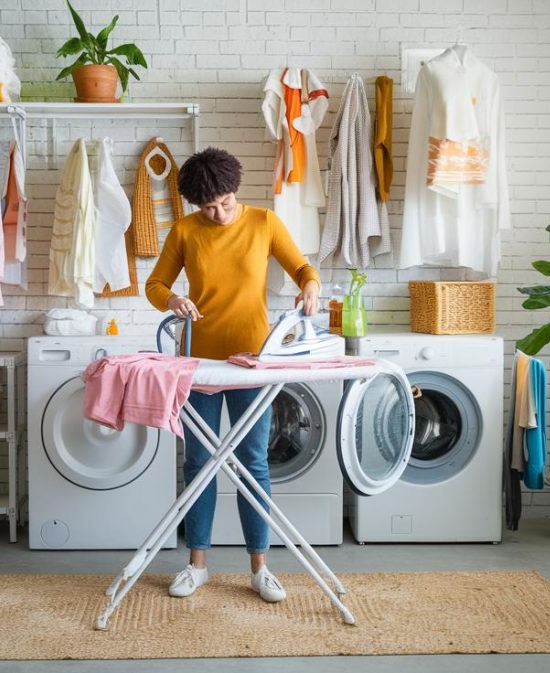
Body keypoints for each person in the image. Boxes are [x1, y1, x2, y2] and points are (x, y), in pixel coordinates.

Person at [145, 147, 321, 603]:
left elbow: (302, 268)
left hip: (253, 360)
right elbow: (155, 285)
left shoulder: (263, 223)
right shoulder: (185, 231)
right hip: (201, 364)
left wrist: (311, 285)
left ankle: (260, 569)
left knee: (253, 463)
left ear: (235, 190)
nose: (218, 213)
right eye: (208, 207)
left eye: (224, 202)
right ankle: (196, 565)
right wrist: (173, 301)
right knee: (199, 464)